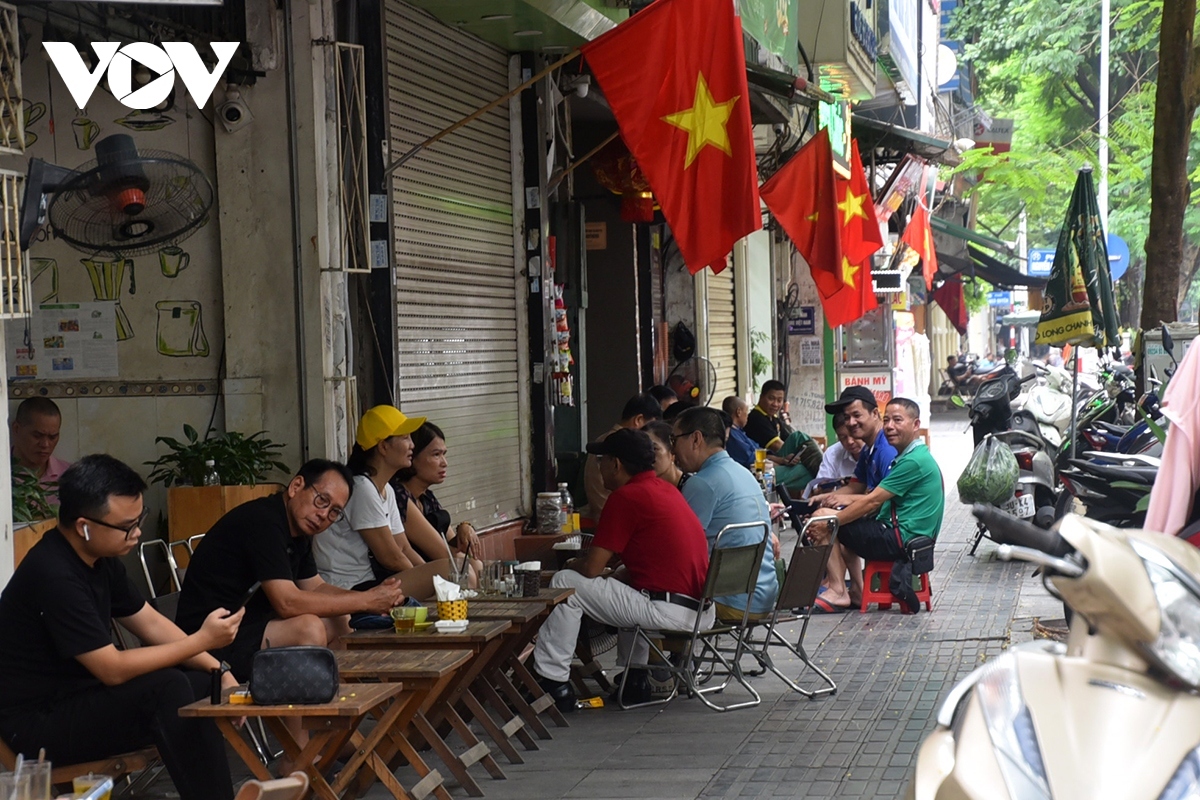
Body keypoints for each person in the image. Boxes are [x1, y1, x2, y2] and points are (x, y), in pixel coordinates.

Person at [0, 455, 241, 800]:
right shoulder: (53, 574)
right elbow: (111, 669)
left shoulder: (101, 560)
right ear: (84, 525)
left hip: (79, 699)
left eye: (139, 519)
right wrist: (201, 640)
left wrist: (220, 669)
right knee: (168, 687)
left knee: (203, 684)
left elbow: (151, 623)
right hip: (35, 724)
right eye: (127, 526)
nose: (138, 532)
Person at [177, 458, 407, 681]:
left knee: (341, 619)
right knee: (307, 629)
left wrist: (374, 599)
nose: (324, 515)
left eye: (335, 512)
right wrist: (366, 601)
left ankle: (335, 708)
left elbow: (316, 587)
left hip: (246, 628)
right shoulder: (263, 521)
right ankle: (308, 717)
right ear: (296, 486)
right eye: (321, 501)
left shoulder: (298, 531)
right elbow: (287, 603)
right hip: (207, 639)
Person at [532, 428, 712, 710]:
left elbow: (591, 569)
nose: (599, 467)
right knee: (623, 583)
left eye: (601, 460)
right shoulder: (667, 490)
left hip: (670, 611)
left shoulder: (626, 497)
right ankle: (635, 679)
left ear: (615, 464)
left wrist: (572, 563)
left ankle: (552, 683)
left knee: (565, 582)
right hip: (699, 610)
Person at [315, 407, 463, 604]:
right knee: (448, 572)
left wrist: (427, 573)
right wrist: (430, 578)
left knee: (451, 571)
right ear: (383, 447)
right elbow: (390, 556)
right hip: (349, 587)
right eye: (405, 438)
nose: (412, 445)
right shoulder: (361, 487)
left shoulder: (387, 490)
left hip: (372, 581)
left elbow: (403, 546)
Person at [809, 398, 944, 613]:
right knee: (837, 520)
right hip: (906, 535)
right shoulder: (909, 455)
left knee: (825, 518)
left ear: (916, 425)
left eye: (898, 420)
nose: (890, 426)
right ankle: (855, 590)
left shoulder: (912, 461)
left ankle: (837, 589)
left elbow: (873, 500)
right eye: (887, 420)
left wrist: (831, 522)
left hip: (903, 540)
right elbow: (863, 492)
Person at [671, 406, 777, 620]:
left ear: (695, 439)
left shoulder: (702, 484)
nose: (673, 451)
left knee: (641, 598)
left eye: (674, 440)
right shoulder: (745, 474)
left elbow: (678, 550)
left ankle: (661, 654)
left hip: (728, 602)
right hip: (763, 597)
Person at [391, 422, 482, 578]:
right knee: (464, 568)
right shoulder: (399, 496)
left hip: (439, 569)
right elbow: (444, 553)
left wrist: (464, 528)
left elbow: (450, 543)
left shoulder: (427, 497)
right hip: (415, 574)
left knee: (476, 564)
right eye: (436, 454)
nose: (444, 463)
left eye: (444, 454)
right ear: (413, 457)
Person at [815, 386, 898, 508]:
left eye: (856, 415)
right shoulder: (867, 449)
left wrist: (836, 516)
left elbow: (884, 500)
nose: (851, 422)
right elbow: (855, 487)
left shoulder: (886, 448)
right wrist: (822, 499)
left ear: (875, 414)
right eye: (846, 417)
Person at [582, 393, 663, 515]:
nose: (649, 433)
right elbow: (600, 499)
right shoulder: (616, 445)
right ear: (638, 420)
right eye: (649, 426)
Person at [743, 380, 822, 492]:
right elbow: (778, 446)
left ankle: (826, 474)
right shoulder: (756, 418)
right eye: (771, 398)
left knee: (805, 462)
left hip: (776, 461)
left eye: (779, 400)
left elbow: (789, 437)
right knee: (799, 439)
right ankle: (827, 475)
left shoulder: (773, 418)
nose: (775, 404)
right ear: (761, 397)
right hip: (764, 467)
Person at [10, 397, 71, 504]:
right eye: (37, 436)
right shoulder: (4, 474)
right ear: (16, 429)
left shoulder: (70, 477)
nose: (45, 445)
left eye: (52, 437)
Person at [808, 411, 864, 496]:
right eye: (843, 437)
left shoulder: (875, 450)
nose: (849, 441)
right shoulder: (832, 453)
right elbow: (817, 490)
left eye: (853, 434)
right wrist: (823, 488)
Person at [644, 421, 688, 490]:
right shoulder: (646, 488)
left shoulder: (690, 487)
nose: (647, 456)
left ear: (672, 451)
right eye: (642, 450)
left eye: (654, 449)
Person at [721, 395, 758, 470]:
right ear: (738, 412)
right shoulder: (732, 434)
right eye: (746, 412)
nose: (747, 416)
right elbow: (751, 459)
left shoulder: (738, 431)